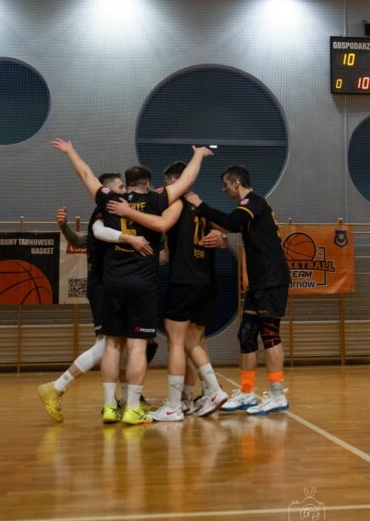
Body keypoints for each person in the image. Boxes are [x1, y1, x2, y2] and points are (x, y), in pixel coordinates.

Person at [52, 138, 212, 424]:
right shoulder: (156, 201)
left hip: (112, 282)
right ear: (148, 184)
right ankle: (132, 408)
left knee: (112, 345)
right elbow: (187, 180)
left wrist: (71, 151)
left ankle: (109, 406)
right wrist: (198, 155)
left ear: (126, 184)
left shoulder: (110, 200)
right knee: (138, 346)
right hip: (143, 283)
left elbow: (86, 174)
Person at [106, 160, 231, 420]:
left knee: (178, 341)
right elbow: (224, 229)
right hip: (205, 281)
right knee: (193, 340)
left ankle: (185, 401)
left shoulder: (175, 204)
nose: (163, 189)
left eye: (166, 184)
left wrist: (127, 212)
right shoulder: (201, 206)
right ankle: (193, 397)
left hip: (184, 279)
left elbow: (161, 224)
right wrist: (223, 239)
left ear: (175, 182)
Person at [36, 177, 162, 423]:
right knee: (107, 345)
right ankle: (57, 386)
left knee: (129, 344)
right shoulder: (104, 212)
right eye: (120, 187)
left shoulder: (121, 215)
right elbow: (93, 234)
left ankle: (128, 400)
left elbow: (81, 240)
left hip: (115, 284)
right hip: (105, 286)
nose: (125, 192)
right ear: (107, 191)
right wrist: (129, 238)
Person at [185, 165, 291, 414]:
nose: (224, 190)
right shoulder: (249, 209)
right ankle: (247, 392)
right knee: (246, 335)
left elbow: (230, 222)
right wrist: (221, 239)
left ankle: (277, 395)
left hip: (272, 280)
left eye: (225, 184)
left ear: (236, 182)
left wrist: (199, 203)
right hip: (258, 282)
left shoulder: (254, 202)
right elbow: (230, 228)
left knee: (270, 335)